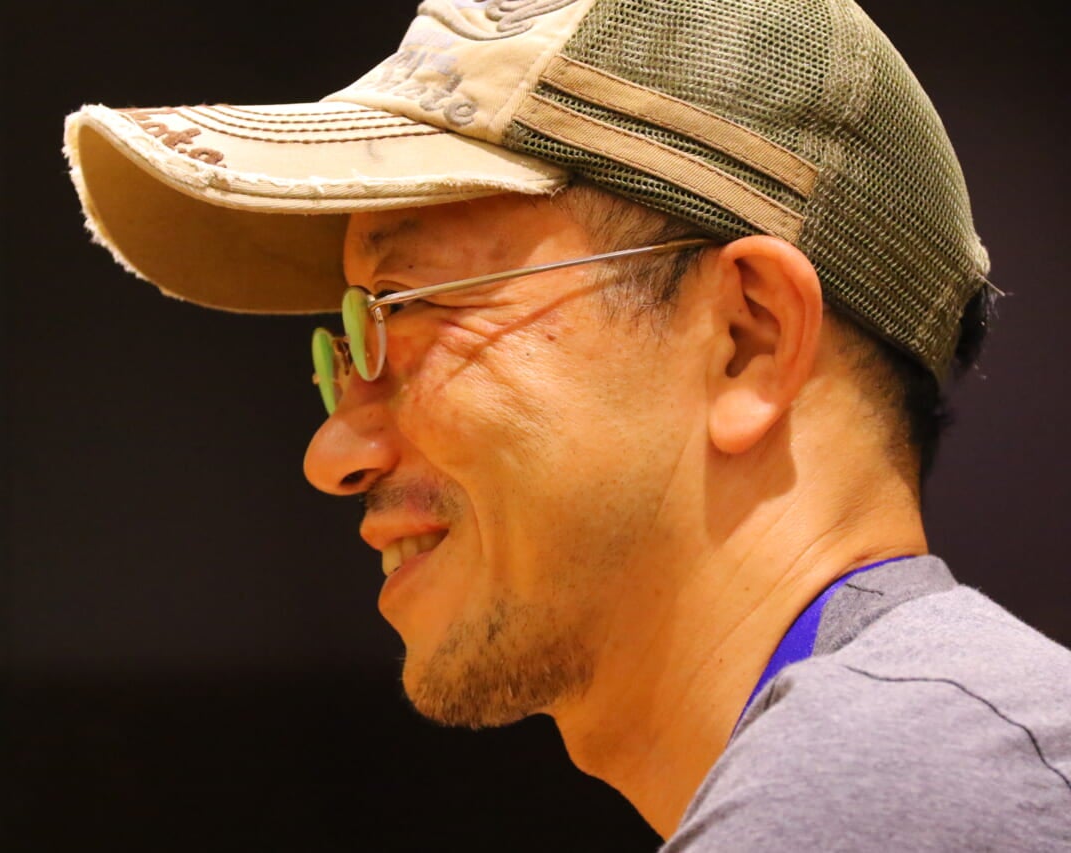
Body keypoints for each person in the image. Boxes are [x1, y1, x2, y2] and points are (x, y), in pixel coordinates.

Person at [62, 0, 1071, 847]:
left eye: (409, 308)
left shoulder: (877, 794)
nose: (333, 453)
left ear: (746, 340)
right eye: (350, 342)